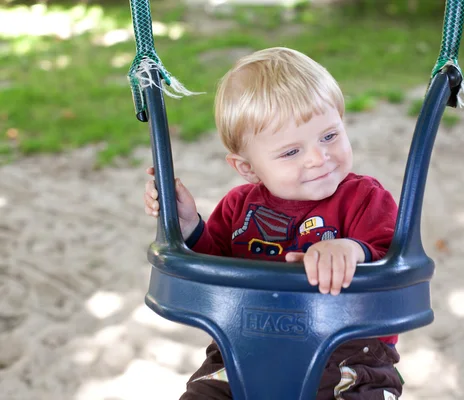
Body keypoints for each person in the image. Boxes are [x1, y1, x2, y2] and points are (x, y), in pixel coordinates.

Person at [143, 47, 404, 399]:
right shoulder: (238, 207)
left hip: (350, 353)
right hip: (243, 347)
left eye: (329, 136)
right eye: (291, 152)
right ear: (248, 168)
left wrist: (352, 250)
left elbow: (395, 259)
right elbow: (210, 269)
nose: (319, 157)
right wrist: (187, 225)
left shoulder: (364, 198)